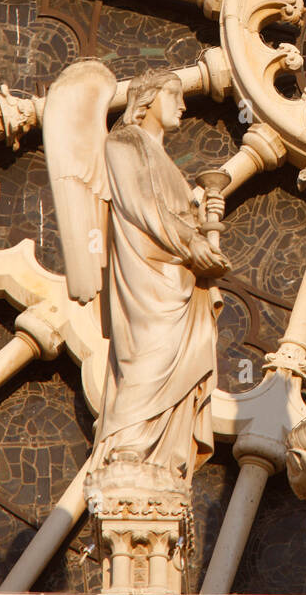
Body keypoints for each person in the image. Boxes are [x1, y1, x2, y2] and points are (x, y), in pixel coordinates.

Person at [90, 70, 225, 485]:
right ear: (146, 99)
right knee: (148, 356)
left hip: (177, 278)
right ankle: (130, 441)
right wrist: (191, 242)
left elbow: (170, 212)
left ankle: (161, 451)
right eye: (174, 94)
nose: (183, 105)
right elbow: (144, 206)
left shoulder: (162, 157)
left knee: (171, 360)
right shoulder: (123, 143)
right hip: (150, 276)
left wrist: (205, 221)